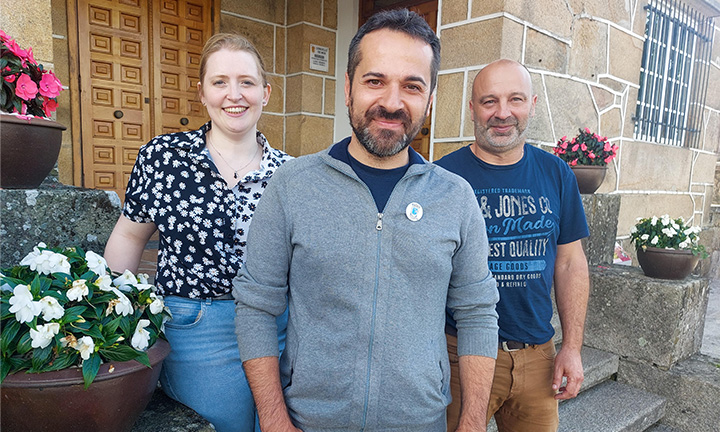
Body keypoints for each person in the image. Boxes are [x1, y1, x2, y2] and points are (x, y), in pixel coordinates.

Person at [232, 9, 499, 432]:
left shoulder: (455, 197)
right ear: (348, 88)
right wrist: (274, 420)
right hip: (310, 422)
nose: (392, 103)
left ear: (430, 99)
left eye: (412, 86)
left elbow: (478, 314)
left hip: (420, 423)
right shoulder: (292, 186)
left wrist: (472, 422)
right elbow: (255, 308)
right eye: (375, 81)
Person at [104, 33, 291, 432]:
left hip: (278, 326)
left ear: (265, 93)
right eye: (220, 82)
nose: (234, 94)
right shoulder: (163, 158)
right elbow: (130, 237)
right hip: (198, 327)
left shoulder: (291, 173)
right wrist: (115, 316)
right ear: (203, 93)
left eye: (247, 82)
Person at [436, 59, 590, 431]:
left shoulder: (557, 173)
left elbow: (570, 262)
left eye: (515, 99)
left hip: (537, 357)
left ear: (532, 105)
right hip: (458, 354)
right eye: (489, 101)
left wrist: (572, 347)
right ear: (472, 108)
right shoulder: (441, 178)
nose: (502, 113)